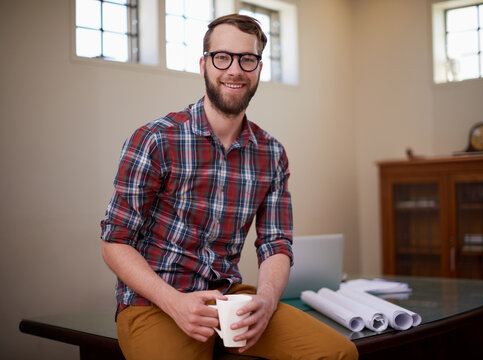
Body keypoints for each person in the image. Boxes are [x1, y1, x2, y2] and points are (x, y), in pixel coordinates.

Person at [100, 13, 358, 360]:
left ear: (258, 69)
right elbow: (115, 242)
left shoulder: (272, 154)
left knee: (339, 353)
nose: (235, 70)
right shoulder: (155, 139)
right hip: (155, 302)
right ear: (204, 65)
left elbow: (275, 244)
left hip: (229, 298)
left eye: (247, 59)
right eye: (222, 57)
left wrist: (266, 301)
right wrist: (175, 302)